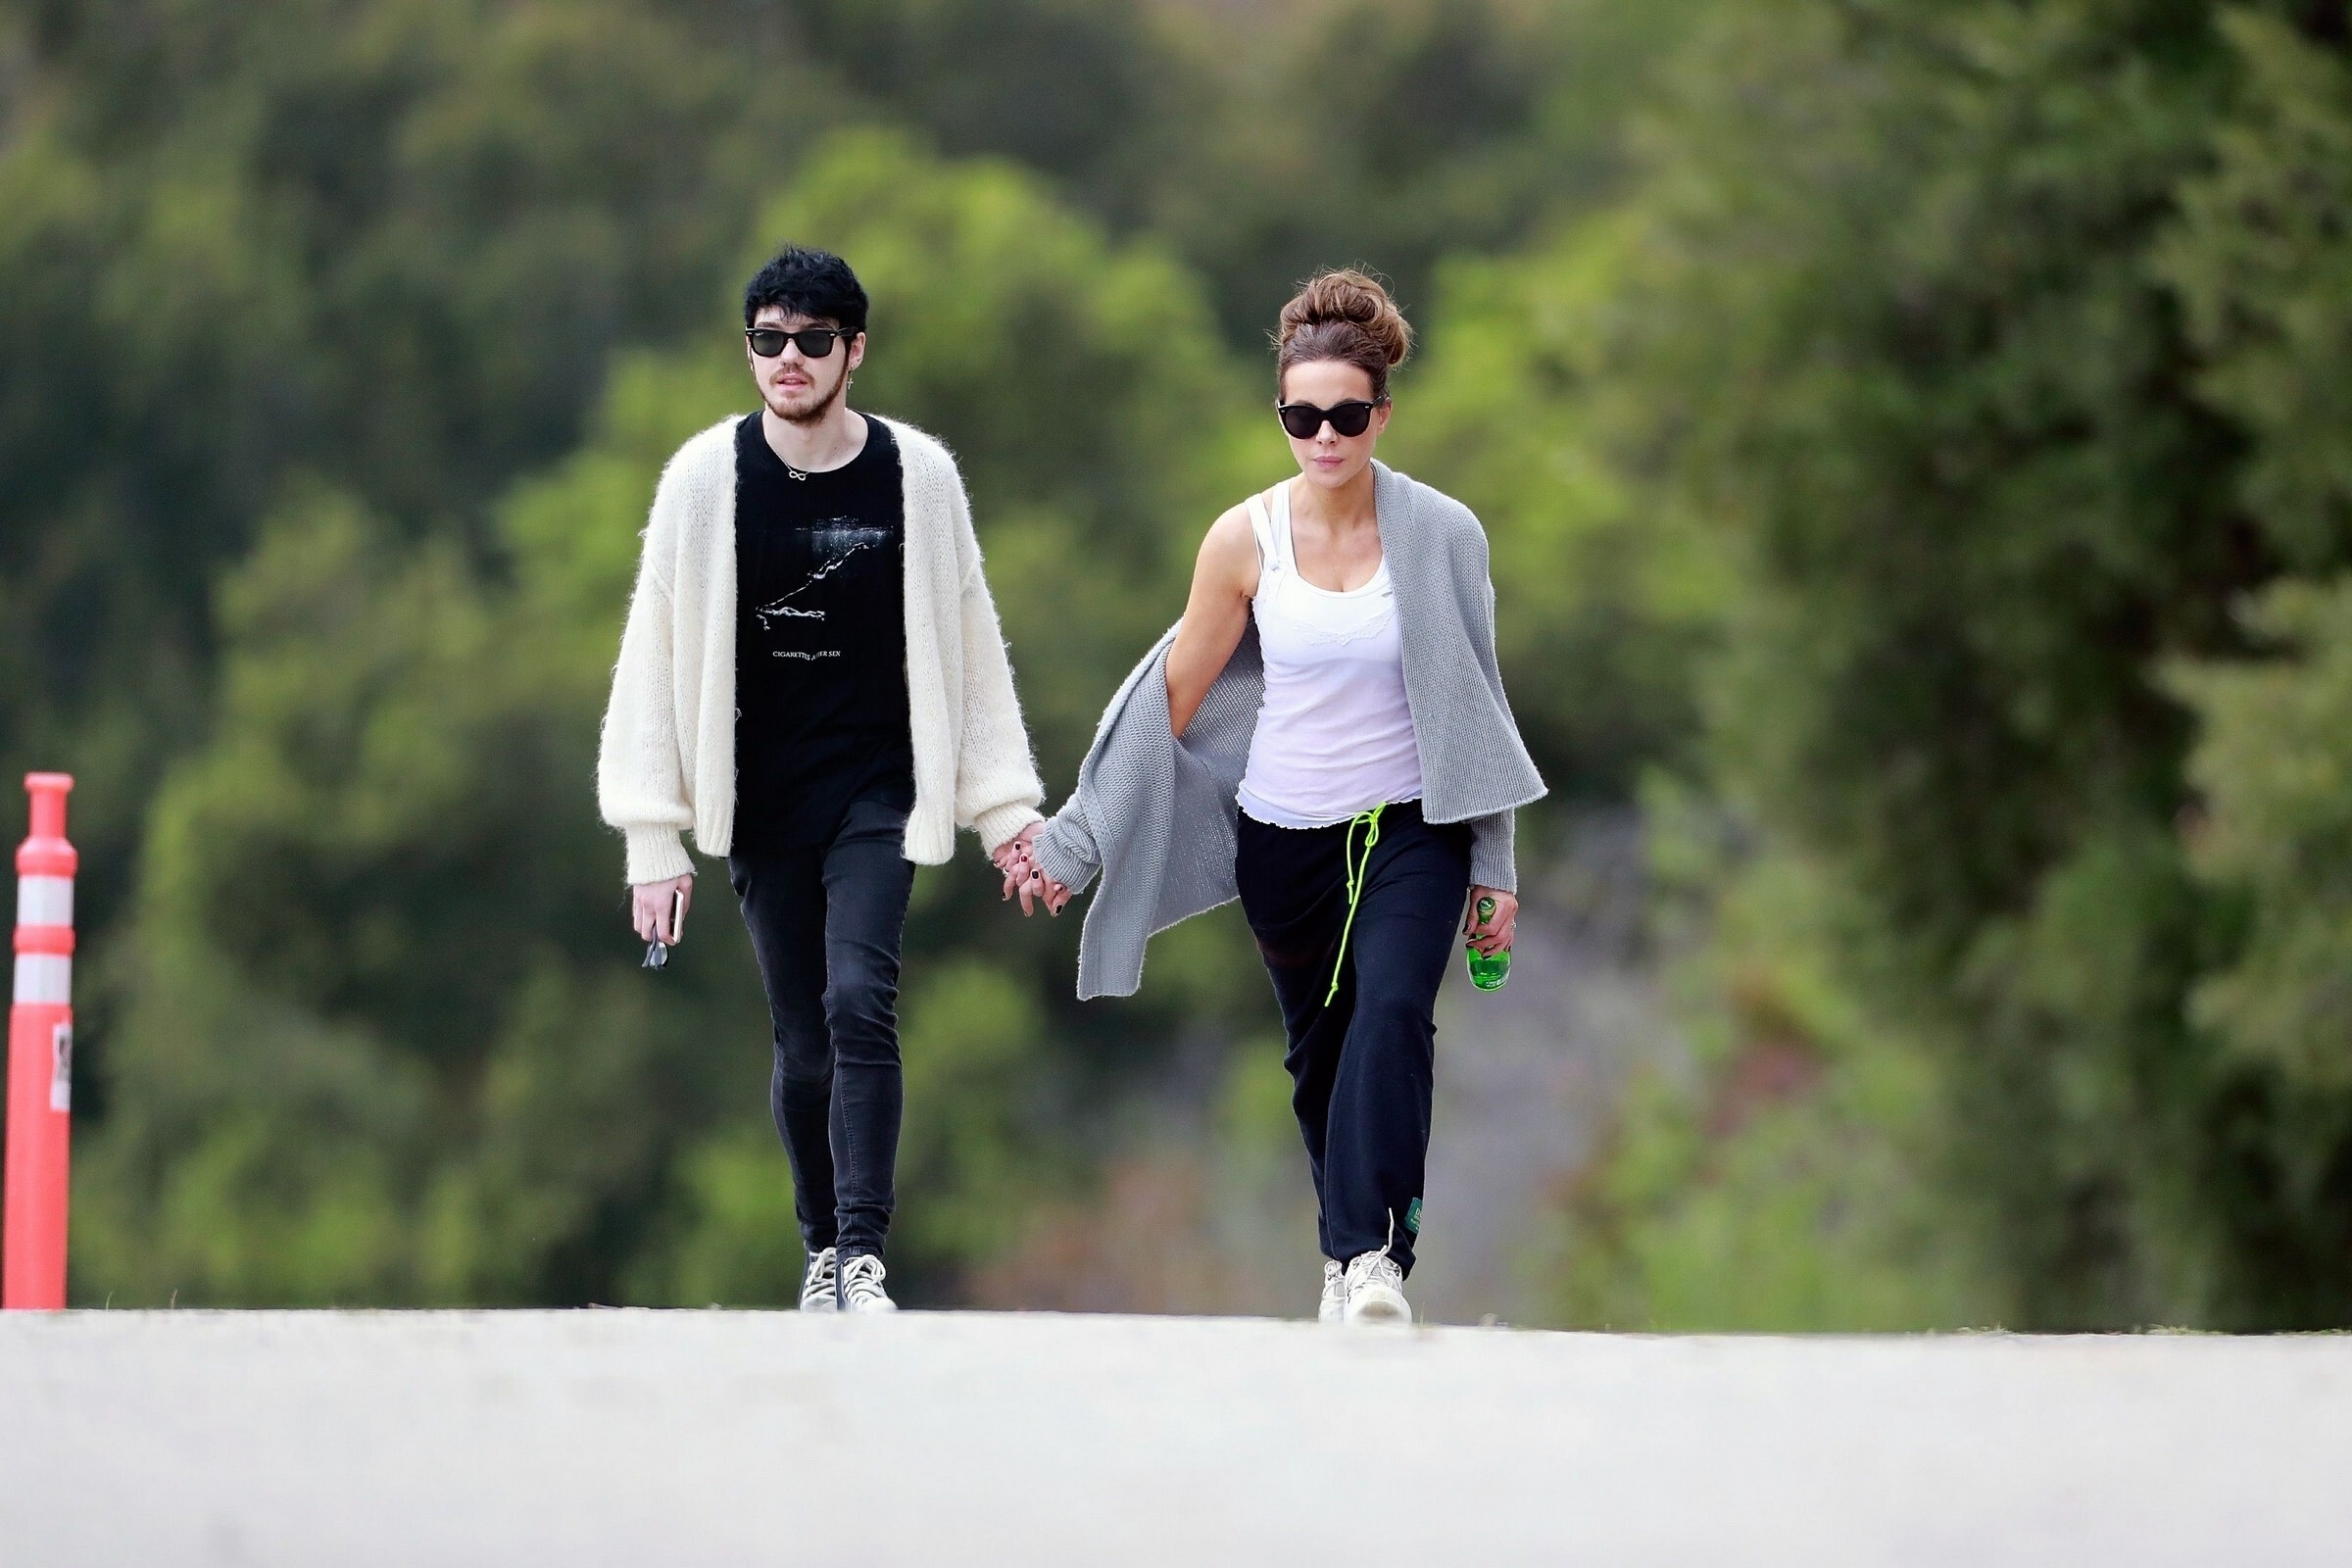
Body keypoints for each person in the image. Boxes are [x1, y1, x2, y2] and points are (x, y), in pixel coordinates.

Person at [1002, 270, 1544, 1326]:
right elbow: (1166, 700)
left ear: (1383, 414)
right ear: (1282, 417)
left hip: (1412, 828)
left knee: (1394, 1013)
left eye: (1347, 415)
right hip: (1283, 840)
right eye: (1303, 418)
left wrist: (1495, 867)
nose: (1325, 437)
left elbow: (1478, 708)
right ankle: (1344, 1257)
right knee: (1322, 1058)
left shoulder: (1445, 536)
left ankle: (1374, 1260)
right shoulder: (1242, 540)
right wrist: (1079, 837)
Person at [599, 246, 1048, 1313]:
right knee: (803, 1044)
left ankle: (862, 1253)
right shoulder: (703, 480)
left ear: (855, 351)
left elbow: (969, 639)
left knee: (859, 1004)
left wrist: (1004, 813)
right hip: (760, 799)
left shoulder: (918, 476)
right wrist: (653, 839)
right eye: (769, 339)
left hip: (879, 791)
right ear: (749, 350)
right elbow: (652, 653)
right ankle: (818, 1248)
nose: (788, 358)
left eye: (811, 339)